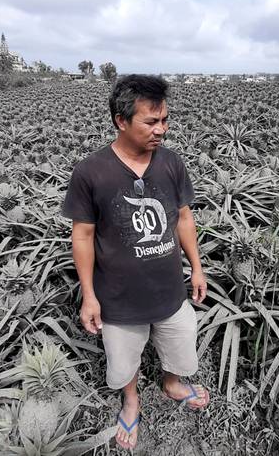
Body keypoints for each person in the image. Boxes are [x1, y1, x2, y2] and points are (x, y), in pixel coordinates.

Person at [61, 74, 209, 450]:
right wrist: (89, 295)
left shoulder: (171, 163)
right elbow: (82, 236)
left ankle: (172, 383)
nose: (161, 130)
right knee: (124, 358)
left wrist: (197, 266)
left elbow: (185, 218)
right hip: (119, 297)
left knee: (179, 342)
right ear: (121, 120)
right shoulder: (90, 172)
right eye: (151, 121)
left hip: (169, 289)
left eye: (165, 120)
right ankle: (131, 399)